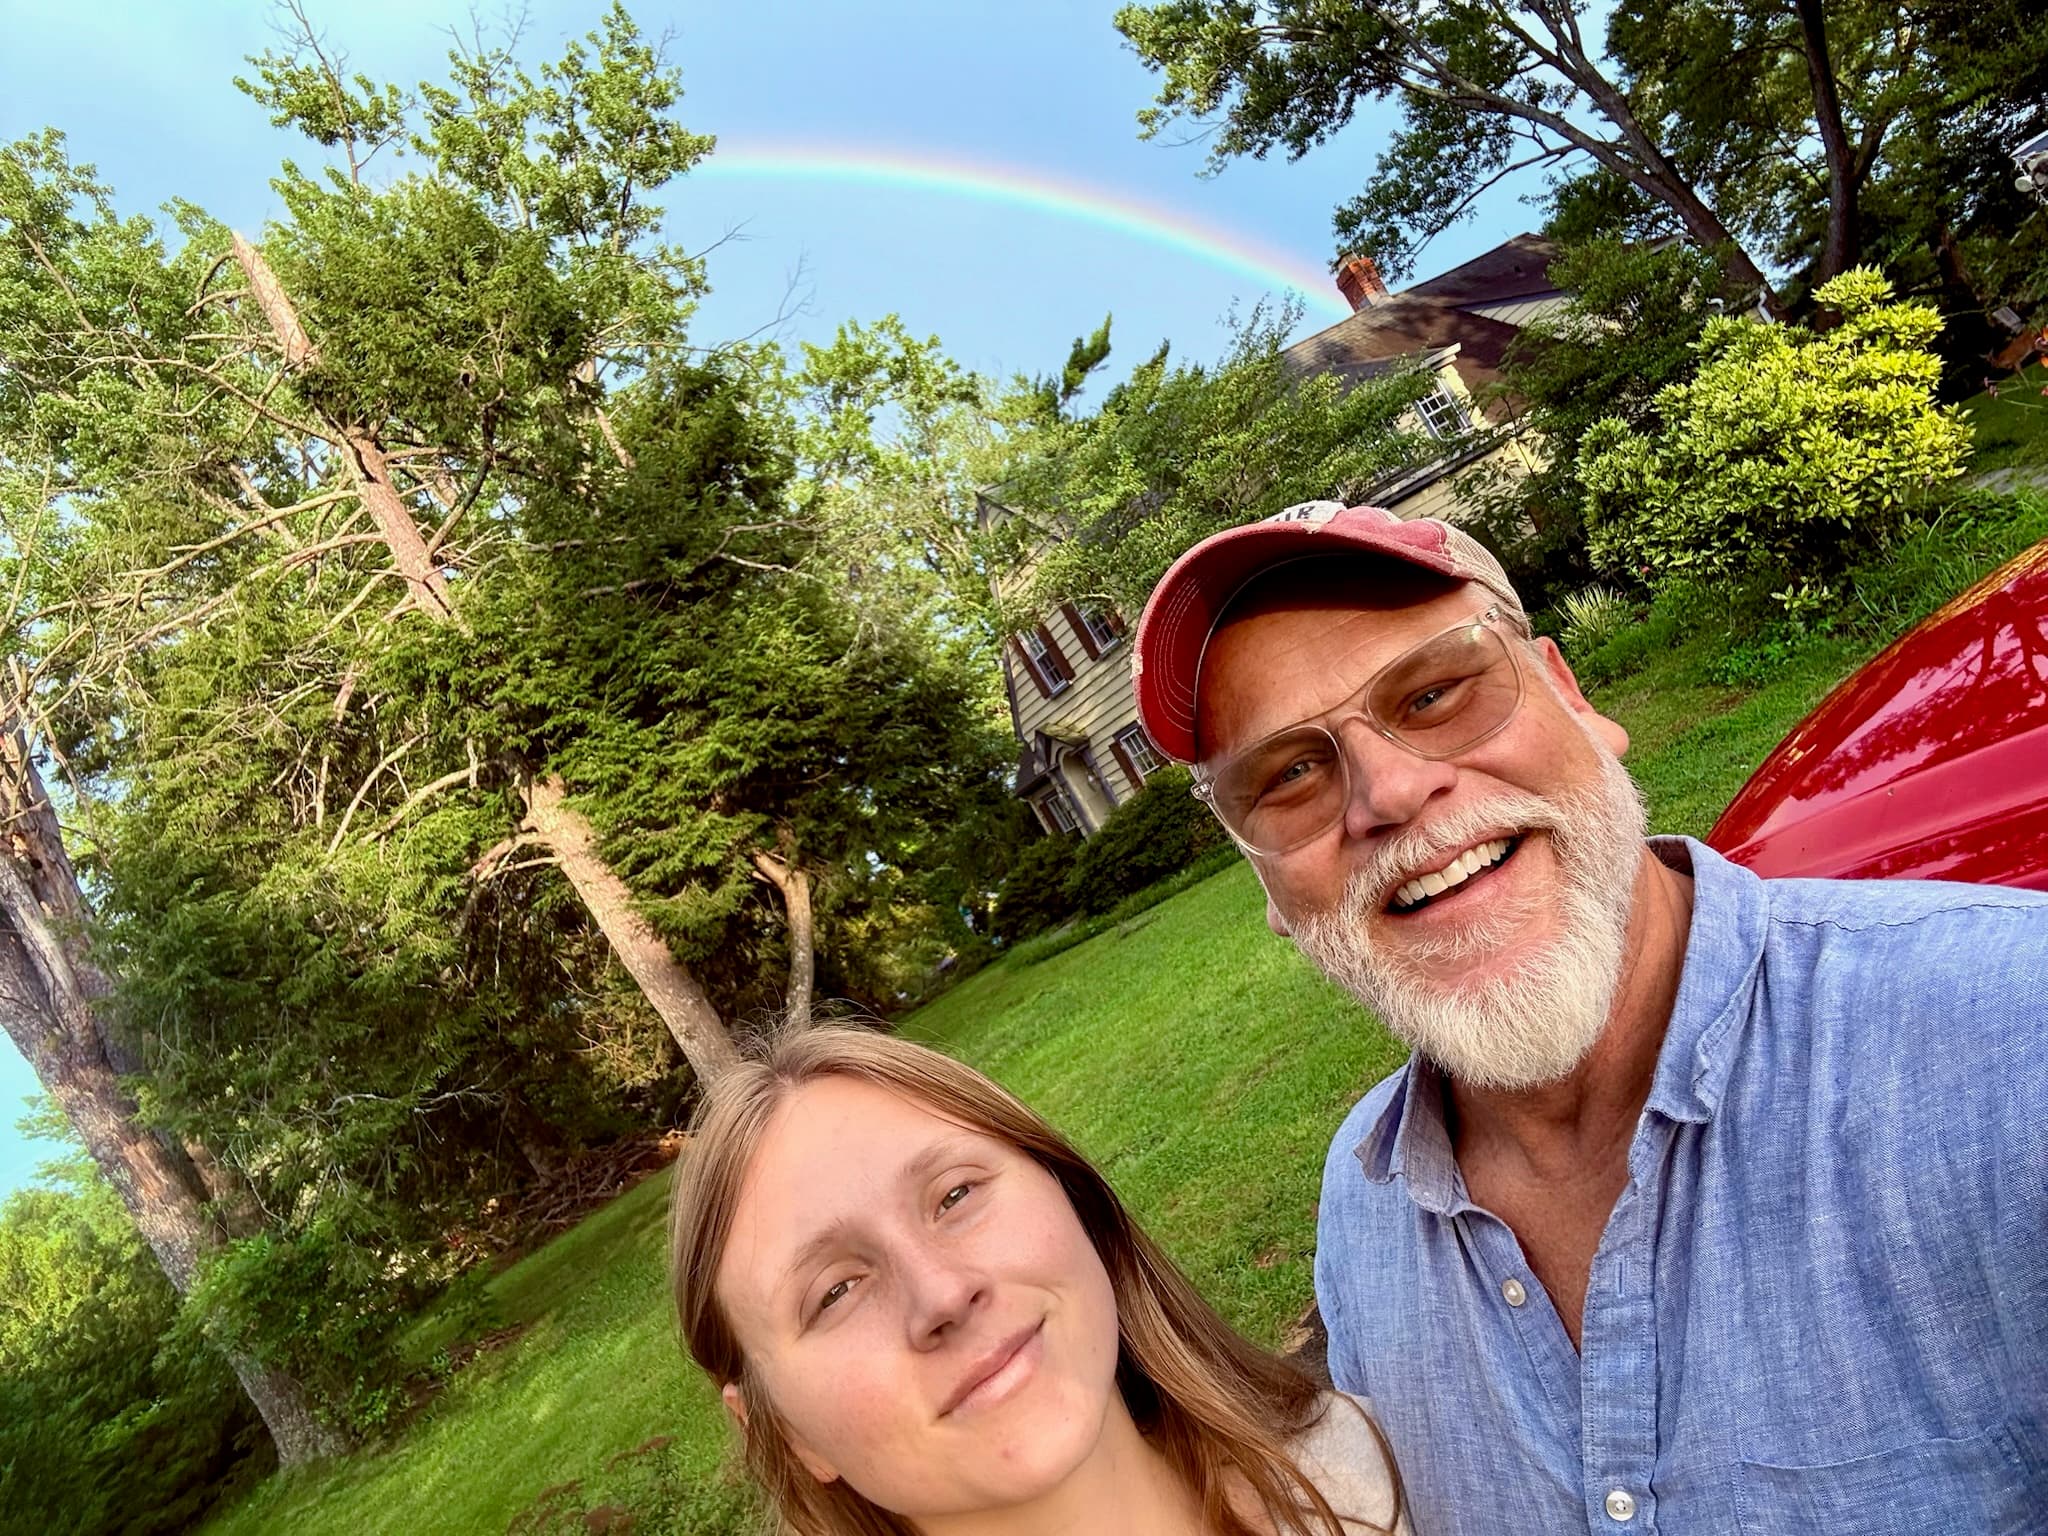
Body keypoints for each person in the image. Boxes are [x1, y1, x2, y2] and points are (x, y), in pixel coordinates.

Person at [1131, 501, 2048, 1535]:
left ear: (1570, 695)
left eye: (1434, 693)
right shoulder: (1363, 1202)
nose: (1388, 793)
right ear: (1264, 885)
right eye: (1290, 773)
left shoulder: (2011, 1034)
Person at [670, 1026, 1408, 1536]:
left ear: (1074, 1201)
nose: (942, 1294)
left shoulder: (1392, 1465)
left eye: (955, 1195)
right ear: (784, 1431)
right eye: (834, 1292)